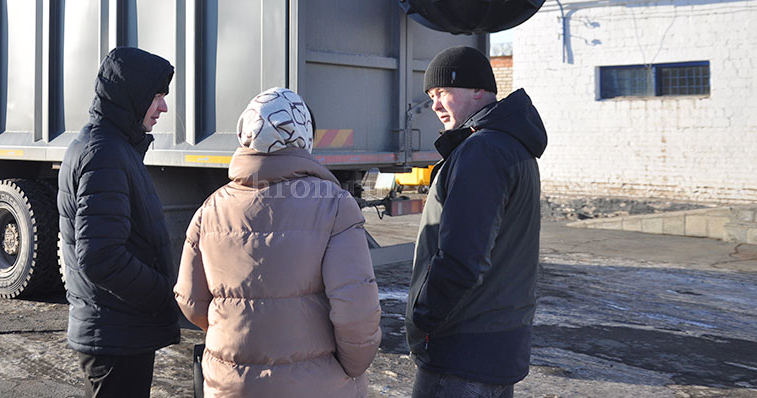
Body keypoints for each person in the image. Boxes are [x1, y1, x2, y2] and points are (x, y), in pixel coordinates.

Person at [174, 87, 381, 398]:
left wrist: (238, 337)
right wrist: (351, 367)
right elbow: (356, 311)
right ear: (303, 135)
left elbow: (191, 301)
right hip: (316, 386)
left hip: (231, 385)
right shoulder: (333, 204)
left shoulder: (211, 208)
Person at [406, 46, 548, 398]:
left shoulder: (481, 151)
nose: (435, 105)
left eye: (443, 93)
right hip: (498, 341)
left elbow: (462, 258)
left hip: (462, 350)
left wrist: (423, 318)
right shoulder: (513, 146)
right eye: (431, 96)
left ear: (478, 90)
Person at [57, 46, 181, 398]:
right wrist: (163, 293)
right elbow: (101, 257)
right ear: (132, 96)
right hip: (115, 337)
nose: (163, 107)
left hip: (117, 331)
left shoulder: (111, 147)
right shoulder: (105, 153)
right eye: (157, 96)